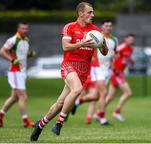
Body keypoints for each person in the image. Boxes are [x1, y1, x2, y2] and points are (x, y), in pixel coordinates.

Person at [30, 2, 108, 141]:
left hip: (84, 70)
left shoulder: (95, 30)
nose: (92, 15)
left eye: (92, 12)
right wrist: (82, 43)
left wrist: (103, 44)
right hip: (69, 65)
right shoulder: (70, 27)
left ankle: (40, 125)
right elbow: (65, 47)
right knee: (77, 90)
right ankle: (59, 123)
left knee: (60, 103)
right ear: (81, 14)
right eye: (90, 12)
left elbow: (104, 52)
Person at [72, 20, 118, 125]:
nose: (109, 27)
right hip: (97, 67)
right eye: (106, 25)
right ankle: (102, 118)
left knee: (96, 96)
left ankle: (78, 102)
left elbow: (114, 54)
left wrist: (113, 63)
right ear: (102, 27)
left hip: (107, 70)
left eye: (110, 26)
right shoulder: (96, 36)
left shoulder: (114, 40)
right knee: (104, 93)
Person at [0, 22, 36, 128]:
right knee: (23, 96)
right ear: (18, 29)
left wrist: (29, 55)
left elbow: (21, 54)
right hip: (15, 72)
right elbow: (2, 51)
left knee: (14, 97)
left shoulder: (26, 40)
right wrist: (12, 60)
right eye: (22, 28)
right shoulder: (13, 40)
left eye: (26, 28)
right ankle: (26, 122)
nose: (25, 30)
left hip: (22, 71)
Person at [105, 33, 135, 122]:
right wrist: (114, 69)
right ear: (125, 39)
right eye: (129, 39)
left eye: (132, 40)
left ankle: (99, 113)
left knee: (110, 96)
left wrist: (130, 61)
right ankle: (117, 112)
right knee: (128, 92)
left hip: (120, 73)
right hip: (116, 73)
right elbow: (113, 57)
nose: (131, 41)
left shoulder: (131, 49)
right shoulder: (121, 47)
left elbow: (124, 59)